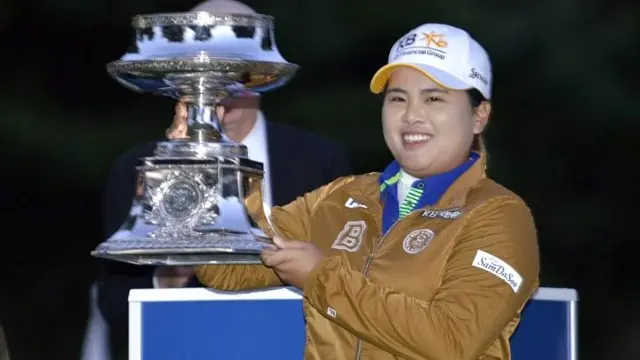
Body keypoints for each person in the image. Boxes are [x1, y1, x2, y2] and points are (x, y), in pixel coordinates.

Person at [175, 23, 540, 360]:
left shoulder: (499, 215)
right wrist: (204, 160)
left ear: (480, 115)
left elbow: (451, 341)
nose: (412, 115)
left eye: (434, 99)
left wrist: (321, 278)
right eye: (398, 98)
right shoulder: (341, 197)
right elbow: (226, 269)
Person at [88, 1, 352, 359]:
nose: (218, 85)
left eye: (230, 64)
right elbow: (114, 305)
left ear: (260, 71)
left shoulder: (321, 160)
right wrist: (170, 274)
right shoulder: (137, 168)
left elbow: (351, 280)